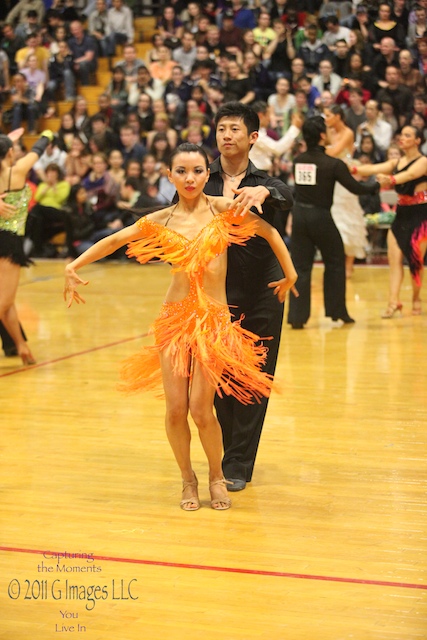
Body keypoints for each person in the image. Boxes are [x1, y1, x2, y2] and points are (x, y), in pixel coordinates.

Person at [63, 143, 298, 511]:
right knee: (175, 409)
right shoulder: (162, 220)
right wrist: (73, 265)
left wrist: (291, 273)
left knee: (202, 409)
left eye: (198, 171)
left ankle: (216, 476)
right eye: (182, 171)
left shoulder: (224, 210)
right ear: (168, 175)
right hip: (174, 320)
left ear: (208, 174)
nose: (190, 178)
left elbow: (269, 233)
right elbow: (115, 239)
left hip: (213, 322)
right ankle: (187, 479)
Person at [203, 102, 295, 491]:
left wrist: (263, 189)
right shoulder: (201, 180)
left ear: (253, 137)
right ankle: (227, 448)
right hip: (215, 292)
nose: (227, 135)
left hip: (263, 289)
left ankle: (239, 461)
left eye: (235, 129)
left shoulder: (267, 183)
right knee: (219, 375)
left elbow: (285, 195)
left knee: (255, 377)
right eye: (222, 128)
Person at [287, 116, 380, 330]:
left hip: (300, 216)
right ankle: (337, 312)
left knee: (301, 267)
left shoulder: (298, 161)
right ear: (321, 136)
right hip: (321, 217)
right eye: (327, 130)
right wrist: (376, 187)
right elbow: (356, 188)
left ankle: (297, 317)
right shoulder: (333, 164)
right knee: (336, 261)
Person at [350, 126, 427, 317]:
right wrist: (350, 168)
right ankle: (393, 302)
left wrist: (390, 180)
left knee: (415, 263)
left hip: (420, 217)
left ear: (417, 141)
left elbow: (409, 176)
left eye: (408, 135)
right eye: (402, 135)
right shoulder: (396, 162)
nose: (403, 138)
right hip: (401, 215)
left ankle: (416, 298)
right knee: (394, 262)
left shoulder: (423, 161)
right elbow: (372, 168)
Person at [0, 128, 54, 365]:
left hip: (7, 241)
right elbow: (38, 149)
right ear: (10, 153)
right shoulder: (18, 170)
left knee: (6, 303)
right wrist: (48, 134)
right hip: (9, 242)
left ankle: (21, 346)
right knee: (3, 303)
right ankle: (20, 346)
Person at [324, 104, 368, 279]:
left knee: (349, 220)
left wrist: (318, 150)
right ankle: (336, 263)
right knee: (333, 220)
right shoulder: (329, 132)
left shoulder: (348, 132)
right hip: (330, 180)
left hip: (345, 180)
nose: (326, 119)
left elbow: (333, 152)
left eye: (328, 115)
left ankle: (349, 265)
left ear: (338, 116)